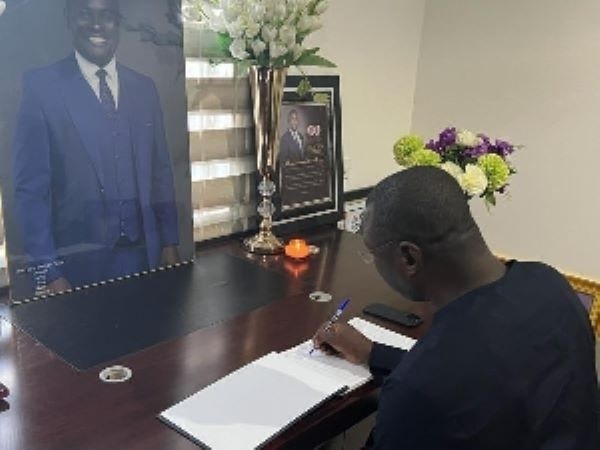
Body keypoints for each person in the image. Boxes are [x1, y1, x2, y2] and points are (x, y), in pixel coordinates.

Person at [313, 167, 599, 449]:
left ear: (409, 257)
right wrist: (372, 353)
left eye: (371, 253)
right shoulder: (548, 282)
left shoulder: (419, 392)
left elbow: (441, 384)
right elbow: (483, 377)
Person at [12, 0, 180, 296]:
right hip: (77, 269)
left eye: (107, 17)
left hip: (145, 257)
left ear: (119, 23)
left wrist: (169, 242)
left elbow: (160, 171)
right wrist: (50, 272)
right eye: (85, 15)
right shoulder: (42, 88)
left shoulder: (145, 88)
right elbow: (31, 192)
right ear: (69, 19)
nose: (97, 25)